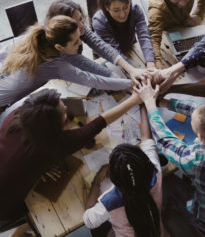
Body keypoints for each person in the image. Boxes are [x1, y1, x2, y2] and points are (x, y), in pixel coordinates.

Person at [0, 88, 141, 233]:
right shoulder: (54, 145)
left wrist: (36, 166)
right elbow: (98, 123)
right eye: (64, 113)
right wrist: (135, 99)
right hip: (5, 207)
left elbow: (17, 155)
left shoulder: (15, 116)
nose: (66, 108)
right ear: (51, 128)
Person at [134, 79, 205, 233]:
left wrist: (149, 104)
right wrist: (164, 103)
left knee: (165, 180)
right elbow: (197, 110)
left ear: (200, 138)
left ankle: (164, 216)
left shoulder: (195, 160)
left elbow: (165, 140)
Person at [0, 15, 132, 108]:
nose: (80, 43)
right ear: (59, 47)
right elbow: (94, 81)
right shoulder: (56, 66)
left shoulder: (34, 38)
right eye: (75, 42)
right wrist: (130, 83)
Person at [83, 107, 170, 237]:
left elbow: (88, 220)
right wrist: (143, 104)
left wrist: (96, 181)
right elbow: (147, 138)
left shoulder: (109, 200)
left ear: (112, 179)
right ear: (146, 163)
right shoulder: (155, 173)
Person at [46, 0, 148, 82]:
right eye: (75, 24)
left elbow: (100, 45)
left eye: (81, 19)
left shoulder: (79, 27)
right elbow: (84, 63)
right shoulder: (59, 46)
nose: (82, 26)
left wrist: (131, 69)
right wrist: (120, 81)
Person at [148, 0, 205, 68]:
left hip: (186, 23)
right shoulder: (156, 9)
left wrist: (199, 14)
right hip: (166, 32)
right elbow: (154, 40)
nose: (182, 3)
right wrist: (157, 66)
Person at [92, 0, 156, 70]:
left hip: (130, 46)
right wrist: (135, 71)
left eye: (125, 7)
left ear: (129, 2)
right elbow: (114, 52)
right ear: (107, 8)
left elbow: (144, 36)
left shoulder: (135, 10)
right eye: (116, 10)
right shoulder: (99, 21)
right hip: (108, 54)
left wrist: (150, 63)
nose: (122, 14)